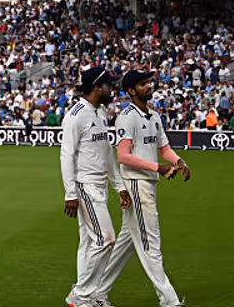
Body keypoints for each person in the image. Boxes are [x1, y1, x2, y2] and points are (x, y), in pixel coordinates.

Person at [100, 70, 190, 307]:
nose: (148, 86)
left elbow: (164, 149)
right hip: (136, 184)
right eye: (142, 84)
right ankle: (169, 300)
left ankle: (96, 293)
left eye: (148, 82)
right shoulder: (127, 117)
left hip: (147, 183)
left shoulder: (154, 115)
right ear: (131, 91)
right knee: (151, 242)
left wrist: (179, 162)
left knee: (128, 241)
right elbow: (123, 156)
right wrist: (157, 168)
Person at [60, 66, 129, 307]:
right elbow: (66, 156)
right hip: (85, 186)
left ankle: (92, 297)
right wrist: (70, 193)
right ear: (97, 87)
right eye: (109, 85)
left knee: (89, 243)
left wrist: (118, 186)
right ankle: (81, 295)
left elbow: (107, 153)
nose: (112, 89)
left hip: (99, 186)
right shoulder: (76, 116)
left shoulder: (100, 112)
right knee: (106, 238)